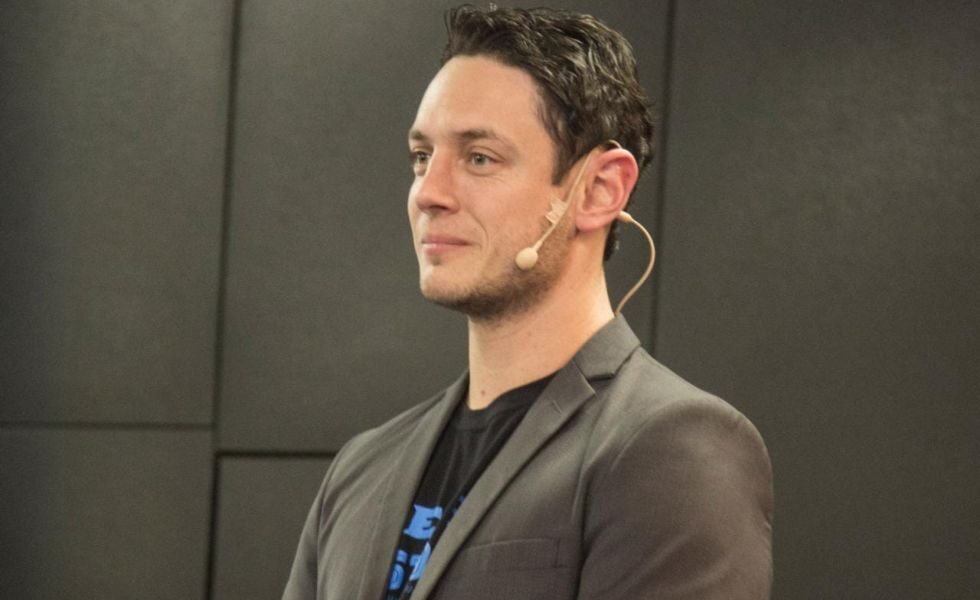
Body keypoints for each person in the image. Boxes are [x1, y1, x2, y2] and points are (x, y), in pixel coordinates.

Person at [283, 5, 773, 600]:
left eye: (479, 158)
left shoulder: (675, 450)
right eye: (421, 157)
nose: (428, 193)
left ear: (599, 190)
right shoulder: (361, 469)